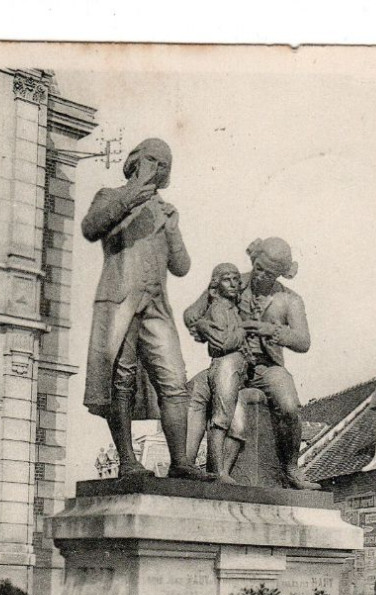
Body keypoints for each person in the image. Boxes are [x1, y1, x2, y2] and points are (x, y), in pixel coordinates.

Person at [81, 137, 210, 481]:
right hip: (120, 299)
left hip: (156, 305)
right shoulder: (111, 196)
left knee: (174, 380)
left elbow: (181, 267)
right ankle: (127, 461)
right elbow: (91, 227)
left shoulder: (165, 211)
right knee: (120, 379)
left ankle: (181, 461)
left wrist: (172, 230)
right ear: (135, 160)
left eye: (165, 164)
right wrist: (131, 196)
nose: (158, 168)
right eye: (153, 159)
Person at [184, 236, 318, 490]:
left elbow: (303, 341)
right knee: (197, 390)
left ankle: (291, 469)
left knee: (289, 405)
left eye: (268, 274)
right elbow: (194, 314)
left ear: (280, 274)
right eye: (257, 268)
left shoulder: (290, 300)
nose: (258, 276)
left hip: (267, 367)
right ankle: (187, 465)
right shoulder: (233, 281)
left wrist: (269, 329)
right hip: (231, 359)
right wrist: (205, 327)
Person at [183, 262, 250, 482]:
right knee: (221, 420)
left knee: (238, 429)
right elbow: (221, 343)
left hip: (238, 371)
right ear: (216, 285)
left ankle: (220, 473)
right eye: (227, 279)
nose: (234, 284)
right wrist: (245, 333)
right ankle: (217, 472)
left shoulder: (235, 308)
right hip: (225, 364)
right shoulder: (218, 308)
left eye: (236, 279)